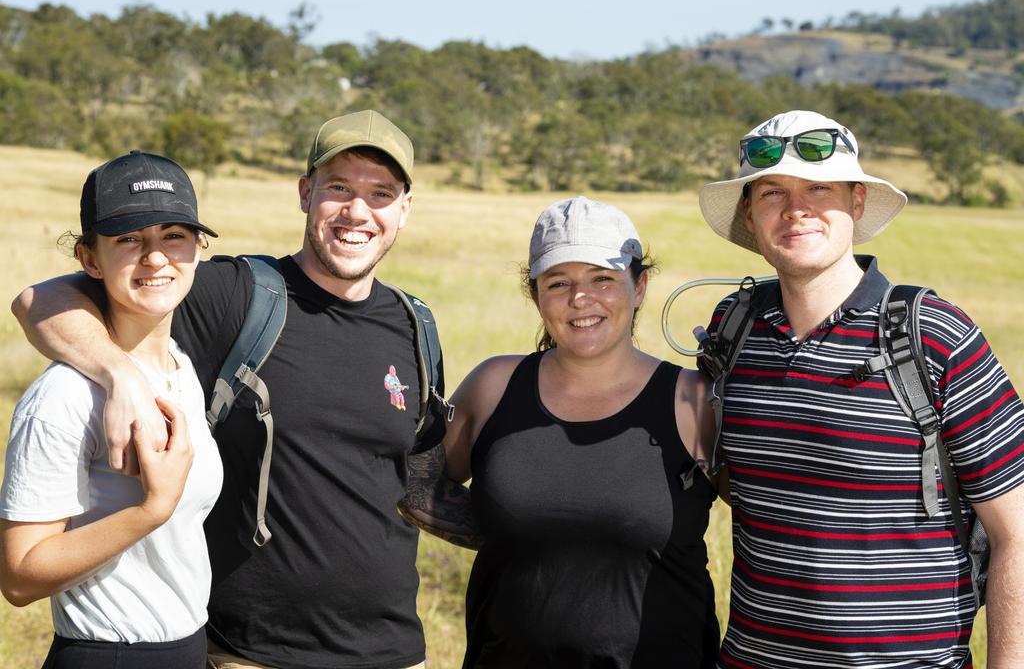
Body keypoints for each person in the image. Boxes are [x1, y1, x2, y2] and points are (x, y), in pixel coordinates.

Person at [11, 111, 460, 669]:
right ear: (305, 193)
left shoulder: (416, 326)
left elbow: (416, 467)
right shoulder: (236, 297)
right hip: (249, 653)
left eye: (381, 193)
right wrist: (118, 373)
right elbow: (41, 301)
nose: (357, 212)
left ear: (405, 208)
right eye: (338, 188)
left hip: (394, 653)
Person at [697, 109, 1024, 667]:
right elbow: (745, 483)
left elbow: (1015, 533)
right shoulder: (734, 329)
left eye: (818, 187)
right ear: (750, 216)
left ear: (855, 204)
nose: (795, 209)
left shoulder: (933, 335)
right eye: (771, 192)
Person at [441, 196, 720, 667]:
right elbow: (418, 483)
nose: (580, 299)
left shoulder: (695, 400)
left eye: (603, 279)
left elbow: (773, 518)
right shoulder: (492, 387)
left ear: (640, 286)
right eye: (558, 282)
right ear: (536, 295)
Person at [0, 151, 223, 668]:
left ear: (197, 248)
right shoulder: (64, 396)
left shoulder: (181, 366)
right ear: (90, 258)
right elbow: (18, 576)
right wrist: (151, 510)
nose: (156, 258)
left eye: (173, 235)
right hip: (109, 654)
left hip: (187, 648)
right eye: (128, 238)